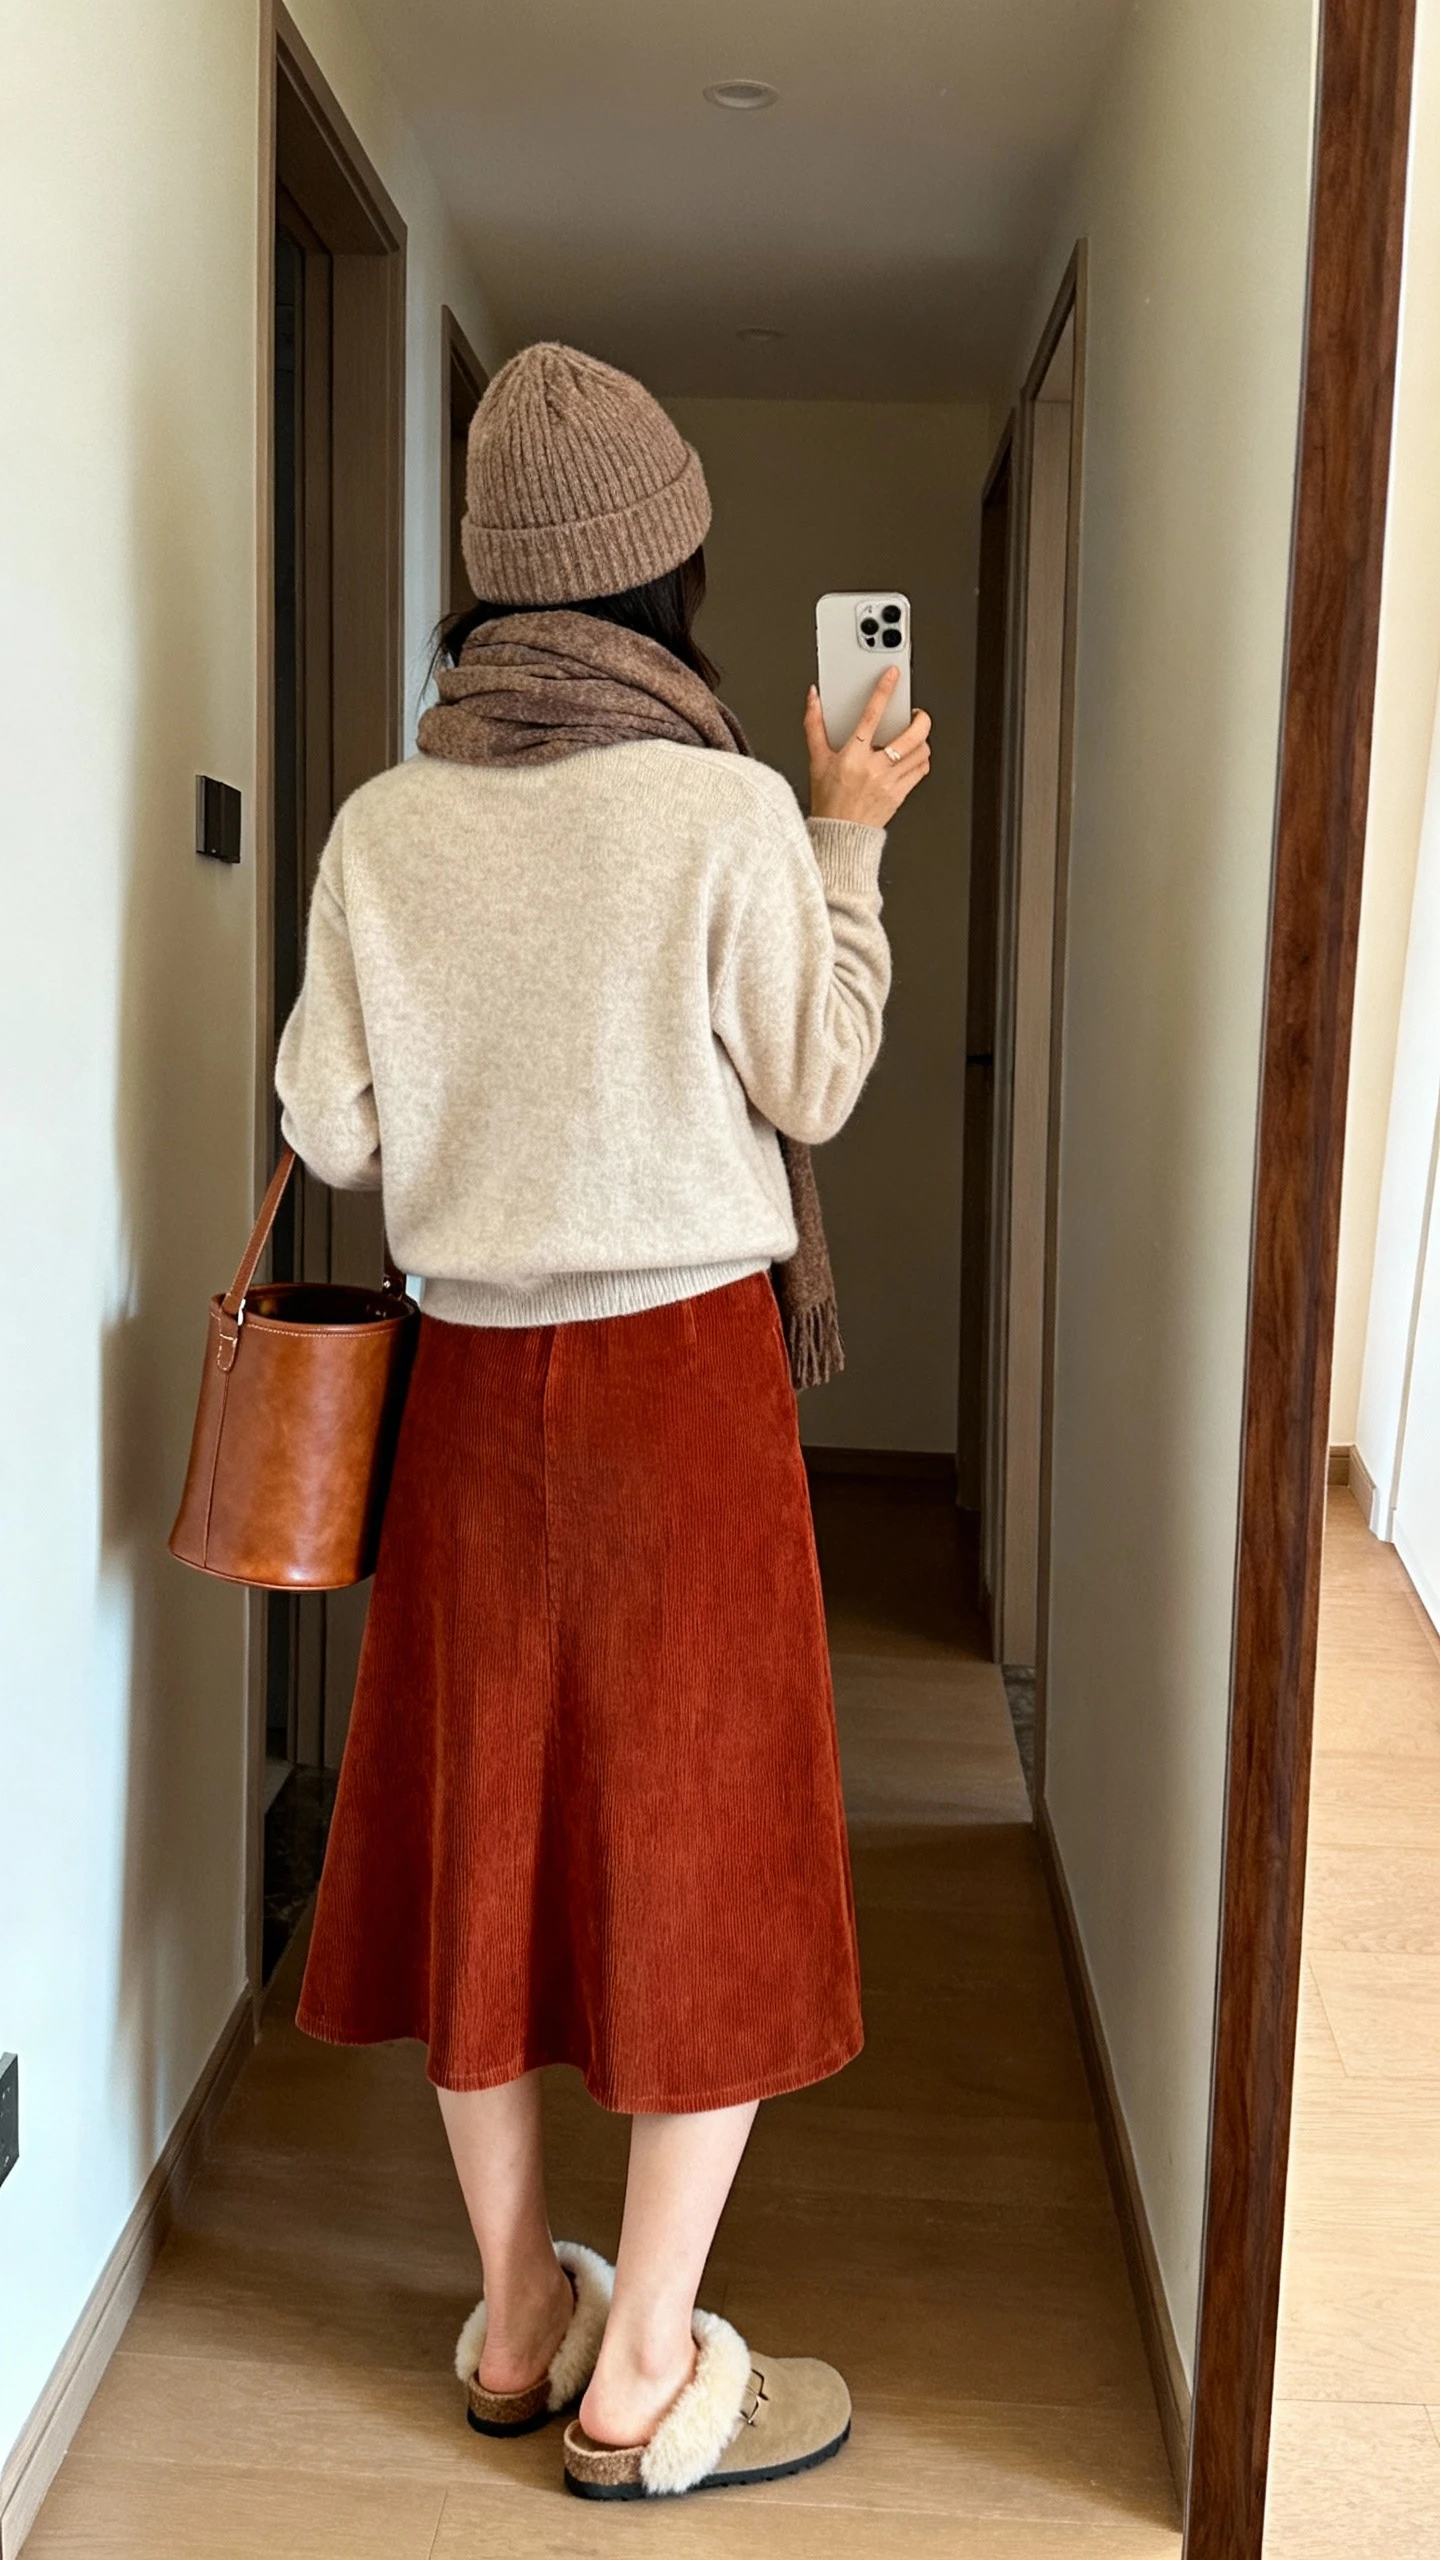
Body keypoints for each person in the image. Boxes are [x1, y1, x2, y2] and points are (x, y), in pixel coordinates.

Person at [275, 341, 931, 2500]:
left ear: (490, 589)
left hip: (469, 1389)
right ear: (667, 579)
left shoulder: (385, 824)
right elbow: (815, 1079)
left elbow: (333, 1131)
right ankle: (647, 2359)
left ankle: (513, 2315)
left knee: (485, 1839)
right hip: (686, 1393)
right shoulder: (731, 808)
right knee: (702, 1853)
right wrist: (844, 849)